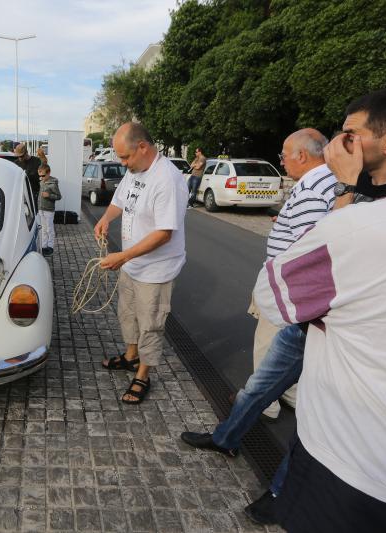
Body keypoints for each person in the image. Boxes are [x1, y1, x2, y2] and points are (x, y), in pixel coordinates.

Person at [252, 40, 386, 533]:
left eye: (349, 135)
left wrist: (343, 189)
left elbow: (271, 294)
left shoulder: (366, 227)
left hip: (349, 471)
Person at [226, 87, 386, 526]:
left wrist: (343, 186)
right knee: (282, 394)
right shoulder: (360, 187)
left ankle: (281, 491)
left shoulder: (381, 195)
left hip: (334, 326)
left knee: (315, 421)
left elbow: (328, 253)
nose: (339, 144)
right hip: (315, 319)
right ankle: (231, 440)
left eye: (350, 134)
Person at [181, 128, 336, 504]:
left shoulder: (316, 190)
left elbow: (310, 251)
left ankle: (260, 420)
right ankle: (232, 433)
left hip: (290, 300)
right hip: (293, 298)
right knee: (277, 381)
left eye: (284, 154)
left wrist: (281, 294)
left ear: (302, 155)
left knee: (264, 375)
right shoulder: (322, 186)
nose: (281, 160)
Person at [94, 122, 188, 404]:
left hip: (156, 269)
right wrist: (105, 218)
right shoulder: (135, 171)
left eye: (125, 157)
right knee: (129, 314)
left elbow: (164, 233)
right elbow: (119, 201)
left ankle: (143, 374)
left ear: (143, 147)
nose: (123, 164)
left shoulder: (167, 179)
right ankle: (131, 357)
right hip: (132, 264)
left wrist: (122, 256)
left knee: (150, 323)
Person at [37, 163, 61, 257]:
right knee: (43, 229)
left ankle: (50, 247)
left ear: (48, 173)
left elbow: (59, 196)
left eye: (43, 176)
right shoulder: (41, 182)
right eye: (40, 176)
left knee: (49, 229)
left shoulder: (53, 184)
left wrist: (49, 195)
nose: (41, 178)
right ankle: (44, 246)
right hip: (41, 209)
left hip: (49, 210)